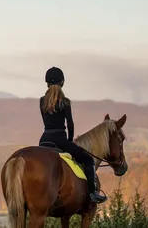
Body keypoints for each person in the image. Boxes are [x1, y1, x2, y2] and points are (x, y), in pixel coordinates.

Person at [38, 67, 107, 204]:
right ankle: (93, 193)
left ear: (47, 83)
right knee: (87, 160)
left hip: (44, 139)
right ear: (62, 82)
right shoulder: (65, 102)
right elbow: (70, 125)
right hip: (60, 139)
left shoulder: (42, 101)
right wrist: (69, 141)